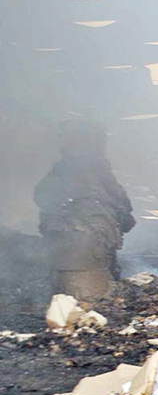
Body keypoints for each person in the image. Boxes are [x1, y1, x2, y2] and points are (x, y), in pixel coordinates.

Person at [34, 121, 135, 301]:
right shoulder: (96, 171)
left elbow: (40, 197)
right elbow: (123, 209)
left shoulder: (60, 171)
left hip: (60, 251)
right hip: (86, 253)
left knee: (65, 305)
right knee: (89, 307)